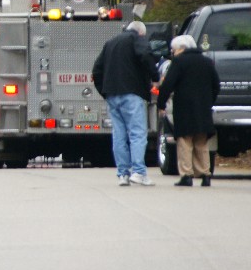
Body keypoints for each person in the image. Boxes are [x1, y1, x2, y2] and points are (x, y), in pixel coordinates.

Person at [92, 21, 160, 186]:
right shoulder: (135, 39)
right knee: (137, 133)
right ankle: (138, 172)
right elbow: (145, 55)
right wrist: (155, 78)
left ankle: (123, 174)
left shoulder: (110, 43)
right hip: (132, 93)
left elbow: (96, 70)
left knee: (119, 135)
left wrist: (104, 92)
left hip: (112, 95)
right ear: (140, 33)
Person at [156, 35, 220, 187]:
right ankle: (205, 174)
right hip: (203, 108)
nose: (173, 52)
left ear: (181, 48)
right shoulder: (206, 61)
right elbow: (216, 85)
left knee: (185, 142)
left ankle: (187, 175)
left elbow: (168, 84)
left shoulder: (179, 62)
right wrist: (209, 101)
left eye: (174, 49)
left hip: (184, 107)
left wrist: (161, 104)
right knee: (201, 142)